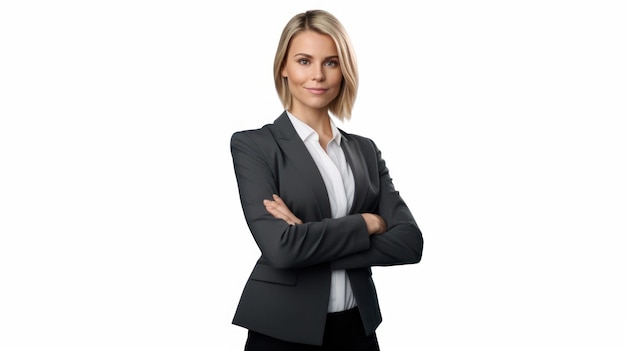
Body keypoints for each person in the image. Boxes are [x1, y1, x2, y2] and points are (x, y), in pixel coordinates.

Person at [229, 9, 424, 350]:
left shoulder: (365, 151)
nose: (317, 75)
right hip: (281, 330)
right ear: (284, 68)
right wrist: (367, 223)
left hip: (357, 328)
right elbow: (282, 250)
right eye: (304, 61)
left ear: (343, 70)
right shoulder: (254, 146)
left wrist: (310, 241)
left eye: (331, 62)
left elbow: (410, 243)